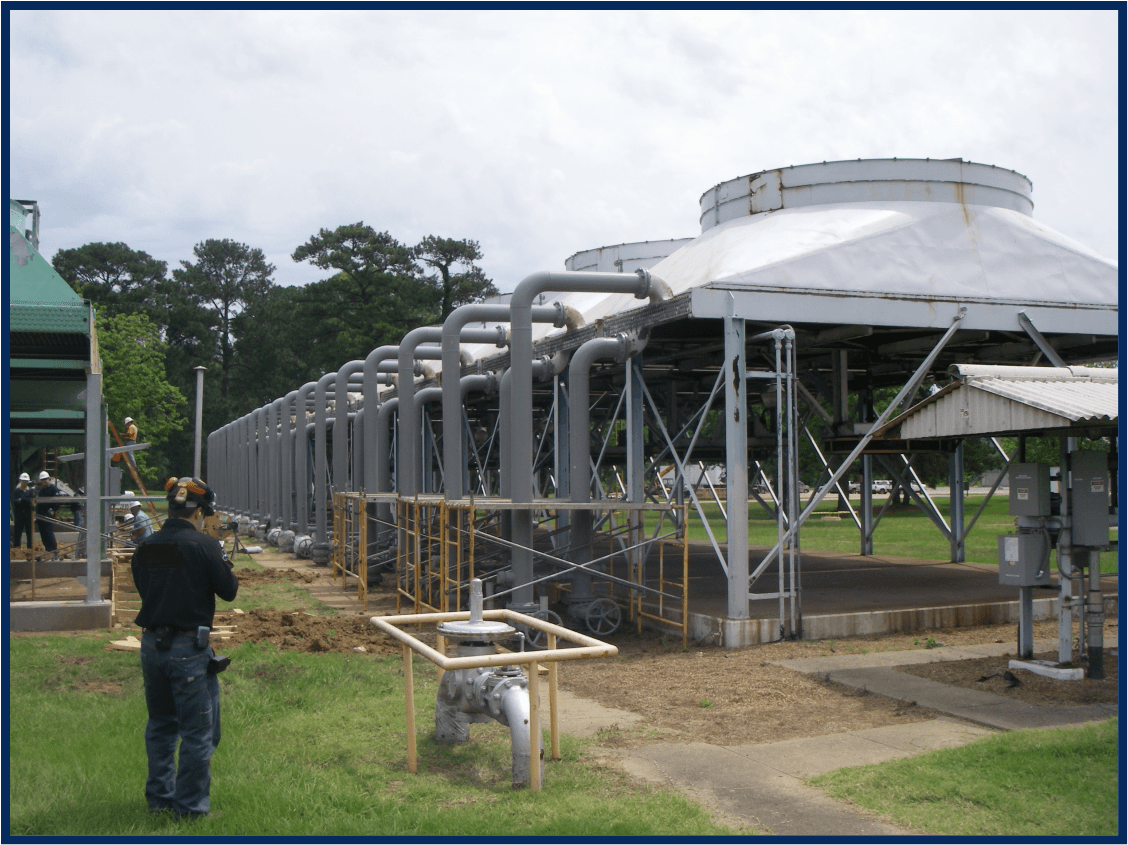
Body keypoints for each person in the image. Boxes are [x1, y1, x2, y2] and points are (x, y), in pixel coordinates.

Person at [132, 476, 238, 820]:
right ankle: (190, 809)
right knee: (198, 733)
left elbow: (144, 587)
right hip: (188, 649)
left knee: (161, 725)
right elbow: (229, 591)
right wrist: (221, 553)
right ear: (199, 512)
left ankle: (160, 801)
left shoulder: (147, 546)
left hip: (152, 645)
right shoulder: (204, 546)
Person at [34, 471, 61, 552]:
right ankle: (47, 549)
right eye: (42, 480)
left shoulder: (53, 489)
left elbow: (57, 501)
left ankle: (54, 549)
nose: (43, 481)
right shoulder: (42, 491)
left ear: (48, 479)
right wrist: (37, 514)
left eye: (45, 479)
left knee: (48, 532)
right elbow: (39, 503)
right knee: (42, 533)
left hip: (48, 513)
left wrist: (53, 510)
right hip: (41, 514)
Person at [11, 472, 35, 549]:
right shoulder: (16, 491)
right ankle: (16, 548)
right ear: (20, 481)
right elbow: (14, 501)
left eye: (26, 481)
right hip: (19, 514)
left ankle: (30, 548)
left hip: (28, 514)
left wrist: (22, 500)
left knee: (29, 532)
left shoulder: (30, 491)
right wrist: (25, 501)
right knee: (18, 531)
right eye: (23, 481)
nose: (24, 482)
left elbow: (32, 501)